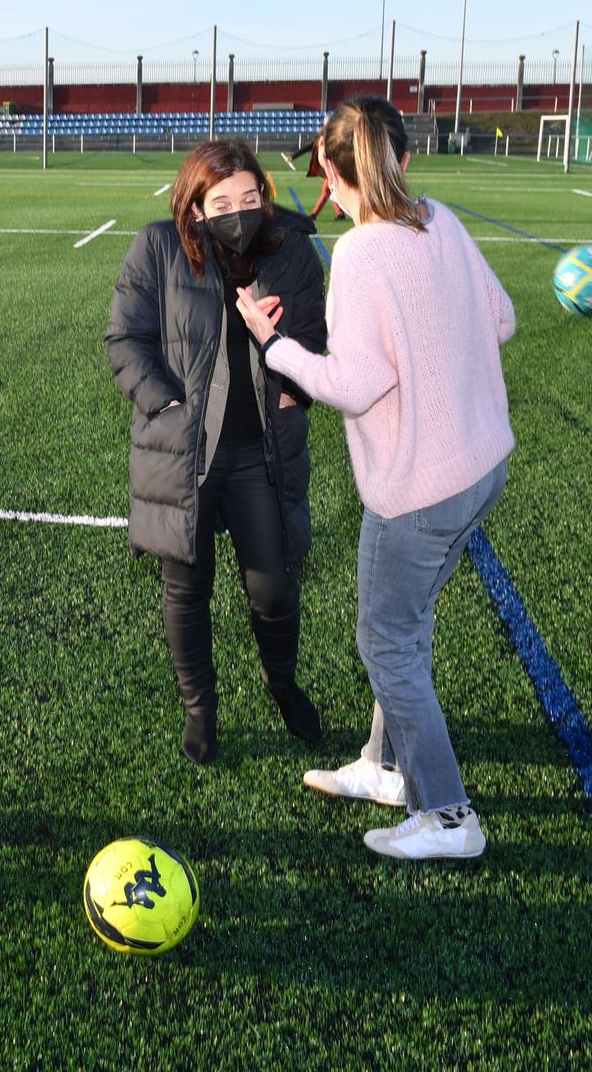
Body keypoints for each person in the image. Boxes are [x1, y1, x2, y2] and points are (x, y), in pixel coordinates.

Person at [238, 96, 514, 861]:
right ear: (402, 158)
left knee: (387, 641)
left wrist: (273, 343)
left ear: (327, 170)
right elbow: (503, 319)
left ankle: (450, 817)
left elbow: (355, 385)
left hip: (419, 491)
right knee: (406, 626)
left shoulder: (360, 252)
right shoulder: (444, 220)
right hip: (481, 468)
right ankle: (386, 767)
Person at [107, 139, 329, 765]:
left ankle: (282, 685)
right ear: (196, 204)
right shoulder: (159, 246)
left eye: (251, 197)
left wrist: (282, 360)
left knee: (274, 589)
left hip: (260, 453)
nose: (239, 210)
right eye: (222, 200)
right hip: (184, 454)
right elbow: (126, 338)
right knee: (186, 589)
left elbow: (315, 340)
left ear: (265, 195)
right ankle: (200, 709)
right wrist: (166, 405)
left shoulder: (291, 250)